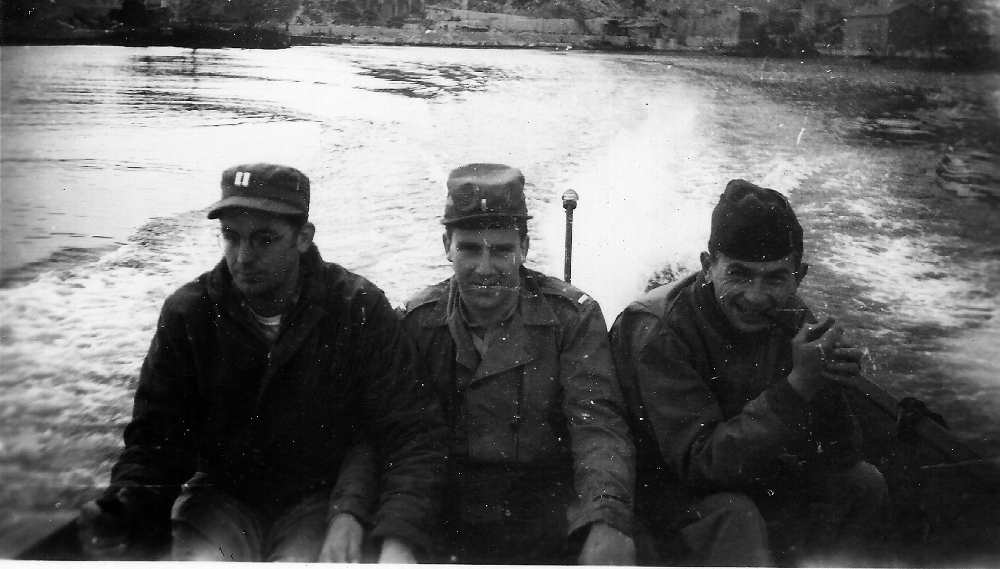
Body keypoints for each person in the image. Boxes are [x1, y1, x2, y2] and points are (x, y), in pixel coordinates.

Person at [77, 163, 448, 562]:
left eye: (264, 239)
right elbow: (156, 440)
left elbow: (410, 431)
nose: (243, 257)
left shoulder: (358, 308)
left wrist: (392, 537)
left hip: (321, 502)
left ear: (303, 237)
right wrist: (127, 501)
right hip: (220, 499)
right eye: (231, 237)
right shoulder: (188, 314)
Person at [325, 163, 637, 564]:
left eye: (502, 250)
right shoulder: (414, 324)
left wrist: (605, 517)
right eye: (470, 249)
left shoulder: (572, 320)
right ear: (447, 246)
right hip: (442, 512)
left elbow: (598, 428)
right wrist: (348, 511)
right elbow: (379, 432)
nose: (485, 268)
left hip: (544, 511)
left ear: (524, 247)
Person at [610, 179, 889, 566]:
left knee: (863, 484)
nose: (756, 296)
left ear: (798, 276)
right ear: (708, 267)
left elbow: (842, 453)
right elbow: (700, 467)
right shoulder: (662, 333)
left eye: (775, 278)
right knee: (735, 515)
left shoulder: (793, 317)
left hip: (743, 474)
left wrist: (827, 386)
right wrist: (798, 388)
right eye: (739, 274)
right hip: (658, 493)